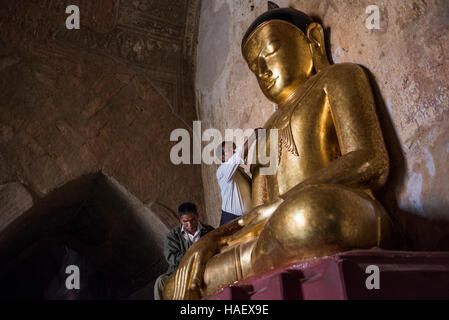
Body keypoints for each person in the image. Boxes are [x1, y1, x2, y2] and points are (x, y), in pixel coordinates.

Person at [153, 202, 213, 300]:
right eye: (186, 221)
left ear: (197, 216)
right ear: (181, 220)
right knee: (160, 282)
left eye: (193, 220)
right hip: (180, 271)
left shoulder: (209, 231)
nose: (190, 224)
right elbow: (171, 258)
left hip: (205, 267)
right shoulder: (173, 236)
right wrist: (193, 254)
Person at [216, 129, 263, 226]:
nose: (234, 151)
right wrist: (254, 135)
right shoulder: (222, 171)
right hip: (232, 221)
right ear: (223, 158)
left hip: (247, 220)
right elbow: (239, 154)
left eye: (234, 148)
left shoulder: (238, 171)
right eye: (229, 150)